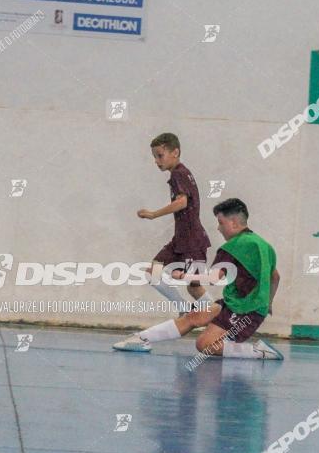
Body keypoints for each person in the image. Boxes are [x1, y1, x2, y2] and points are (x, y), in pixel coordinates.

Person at [114, 198, 282, 360]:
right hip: (237, 304)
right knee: (193, 317)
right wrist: (268, 303)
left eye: (221, 223)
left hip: (245, 311)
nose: (218, 228)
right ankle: (141, 338)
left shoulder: (234, 246)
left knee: (205, 344)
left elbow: (214, 278)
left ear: (234, 222)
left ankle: (258, 351)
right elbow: (275, 277)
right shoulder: (264, 245)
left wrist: (183, 276)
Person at [138, 133, 212, 314]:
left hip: (192, 240)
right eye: (154, 157)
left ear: (175, 152)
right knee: (152, 273)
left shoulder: (179, 173)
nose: (156, 161)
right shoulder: (178, 174)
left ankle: (223, 320)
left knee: (194, 287)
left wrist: (154, 214)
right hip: (180, 240)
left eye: (160, 156)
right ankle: (184, 309)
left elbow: (182, 202)